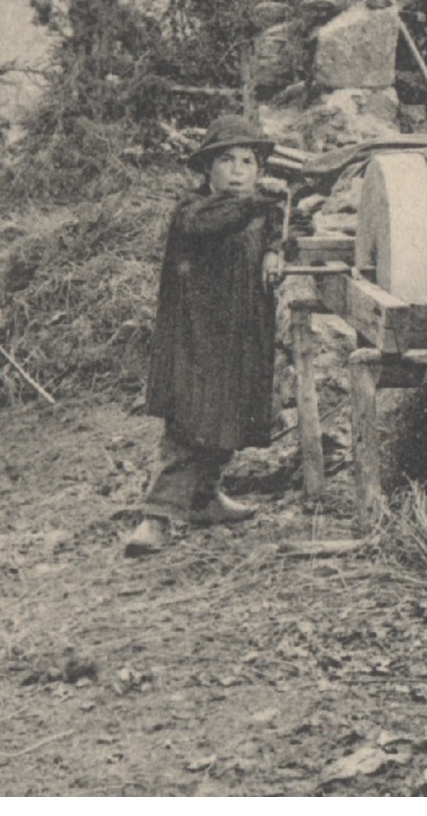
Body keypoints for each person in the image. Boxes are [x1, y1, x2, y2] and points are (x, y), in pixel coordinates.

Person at [125, 113, 285, 557]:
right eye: (227, 161)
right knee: (190, 422)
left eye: (248, 161)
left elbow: (277, 226)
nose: (238, 170)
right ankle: (156, 517)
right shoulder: (194, 211)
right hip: (196, 339)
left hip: (242, 333)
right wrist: (261, 203)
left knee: (233, 413)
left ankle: (206, 497)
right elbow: (213, 223)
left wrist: (274, 250)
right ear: (207, 169)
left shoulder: (258, 211)